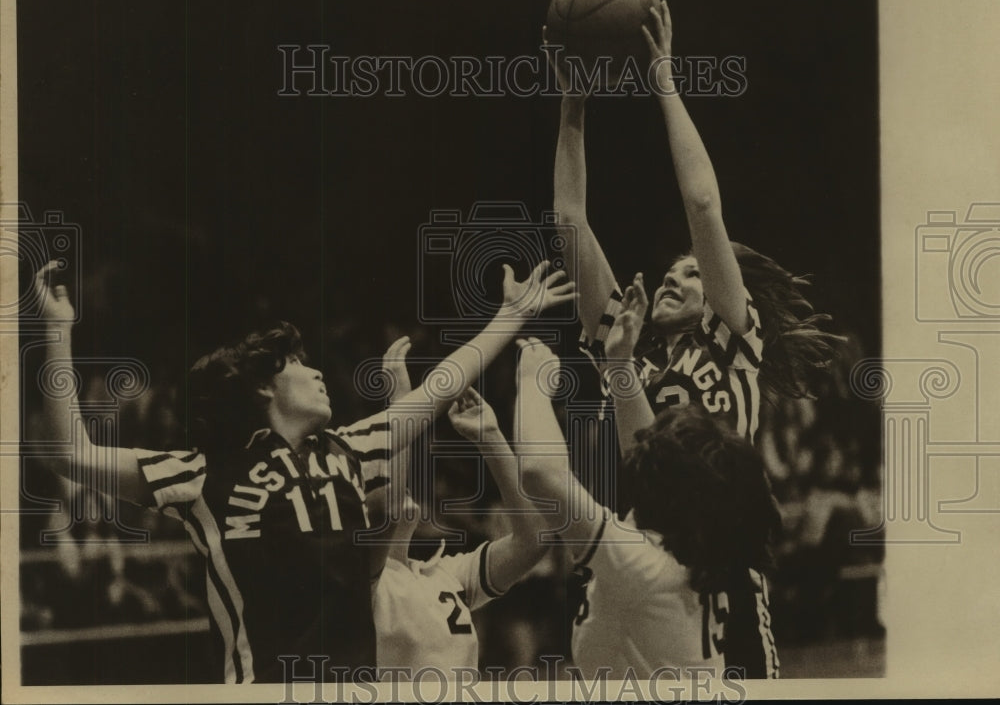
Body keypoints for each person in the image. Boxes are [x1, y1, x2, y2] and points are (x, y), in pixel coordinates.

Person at [31, 258, 574, 683]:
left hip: (353, 682)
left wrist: (510, 316)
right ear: (263, 386)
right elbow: (70, 454)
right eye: (297, 363)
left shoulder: (350, 447)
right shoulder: (201, 472)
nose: (317, 373)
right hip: (265, 684)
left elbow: (442, 387)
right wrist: (57, 332)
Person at [545, 1, 842, 678]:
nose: (679, 277)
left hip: (719, 564)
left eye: (693, 271)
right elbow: (567, 220)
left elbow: (703, 205)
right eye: (672, 269)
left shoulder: (731, 342)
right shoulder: (630, 341)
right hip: (641, 557)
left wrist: (663, 78)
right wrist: (571, 105)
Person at [513, 337, 782, 680]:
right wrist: (621, 366)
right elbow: (640, 441)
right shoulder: (688, 551)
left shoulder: (643, 566)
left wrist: (531, 381)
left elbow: (540, 472)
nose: (645, 445)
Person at [369, 371, 549, 678]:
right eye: (376, 476)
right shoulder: (362, 581)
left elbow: (532, 541)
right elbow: (390, 508)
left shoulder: (445, 573)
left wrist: (490, 436)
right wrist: (402, 406)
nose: (400, 482)